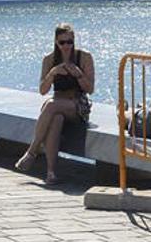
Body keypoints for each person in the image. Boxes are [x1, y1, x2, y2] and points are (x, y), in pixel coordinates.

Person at [15, 23, 94, 185]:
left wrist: (78, 74)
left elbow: (90, 89)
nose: (66, 46)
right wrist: (52, 73)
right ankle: (51, 173)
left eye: (69, 42)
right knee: (55, 117)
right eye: (62, 42)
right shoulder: (49, 59)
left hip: (78, 104)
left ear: (74, 41)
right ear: (56, 42)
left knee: (50, 106)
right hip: (58, 102)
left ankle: (32, 151)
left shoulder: (84, 57)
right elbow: (43, 90)